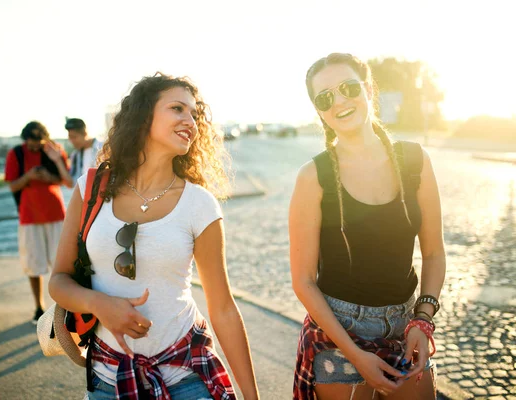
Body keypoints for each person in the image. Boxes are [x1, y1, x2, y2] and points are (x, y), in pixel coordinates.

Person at [49, 73, 259, 399]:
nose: (190, 120)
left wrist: (252, 396)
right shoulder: (89, 189)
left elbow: (223, 308)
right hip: (109, 379)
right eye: (177, 109)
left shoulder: (199, 203)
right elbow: (58, 281)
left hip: (188, 371)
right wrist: (99, 304)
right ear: (144, 115)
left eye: (194, 114)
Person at [289, 53, 446, 399]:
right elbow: (303, 281)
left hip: (406, 326)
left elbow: (433, 251)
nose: (340, 101)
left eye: (348, 87)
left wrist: (423, 320)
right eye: (325, 97)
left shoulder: (415, 161)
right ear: (319, 111)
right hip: (338, 332)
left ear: (369, 89)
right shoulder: (313, 177)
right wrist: (356, 355)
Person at [4, 121, 74, 324]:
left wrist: (49, 173)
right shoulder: (16, 154)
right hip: (30, 216)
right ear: (25, 140)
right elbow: (13, 186)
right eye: (31, 143)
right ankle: (38, 307)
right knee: (33, 264)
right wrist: (29, 176)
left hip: (57, 214)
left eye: (38, 142)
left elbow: (67, 181)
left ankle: (67, 307)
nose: (35, 147)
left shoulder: (54, 150)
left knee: (63, 264)